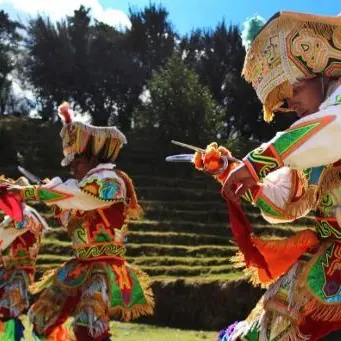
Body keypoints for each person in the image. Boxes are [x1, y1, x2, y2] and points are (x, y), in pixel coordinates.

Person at [194, 11, 341, 341]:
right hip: (331, 260)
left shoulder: (330, 120)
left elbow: (332, 130)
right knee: (266, 327)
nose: (293, 105)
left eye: (297, 91)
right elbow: (285, 205)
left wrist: (256, 162)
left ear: (321, 75)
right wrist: (235, 174)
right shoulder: (311, 144)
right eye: (287, 103)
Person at [10, 103, 154, 341]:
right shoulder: (79, 188)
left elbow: (83, 197)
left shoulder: (112, 181)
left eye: (77, 162)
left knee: (88, 327)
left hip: (104, 267)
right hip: (79, 264)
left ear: (93, 158)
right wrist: (56, 199)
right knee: (41, 319)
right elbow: (73, 207)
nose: (73, 169)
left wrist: (34, 193)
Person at [0, 176, 47, 341]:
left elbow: (3, 236)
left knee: (7, 311)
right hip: (16, 271)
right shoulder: (29, 214)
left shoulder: (22, 216)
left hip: (17, 273)